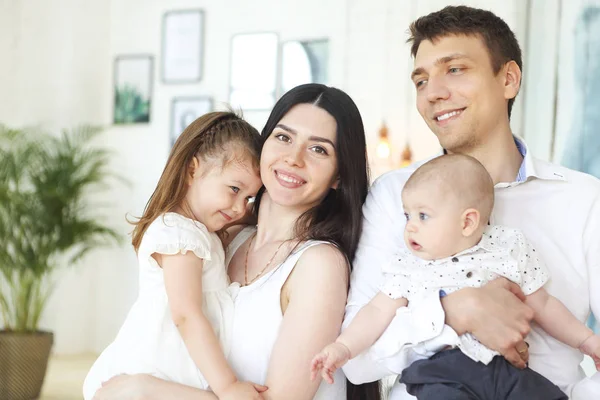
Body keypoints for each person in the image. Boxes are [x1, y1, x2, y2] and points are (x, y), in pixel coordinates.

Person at [342, 5, 600, 400]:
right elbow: (357, 361)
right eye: (421, 80)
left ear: (509, 79)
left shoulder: (584, 199)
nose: (433, 93)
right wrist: (453, 311)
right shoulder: (395, 195)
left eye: (455, 69)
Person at [91, 84, 380, 400]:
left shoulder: (318, 264)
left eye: (318, 149)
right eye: (283, 137)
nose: (293, 158)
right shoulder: (220, 237)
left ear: (339, 175)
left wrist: (144, 390)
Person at [312, 154, 600, 399]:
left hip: (508, 369)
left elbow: (543, 304)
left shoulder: (507, 247)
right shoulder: (409, 266)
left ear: (468, 222)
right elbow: (376, 311)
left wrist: (586, 340)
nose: (410, 227)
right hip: (443, 373)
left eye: (422, 216)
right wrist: (343, 347)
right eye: (407, 216)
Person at [84, 112, 265, 400]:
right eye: (234, 189)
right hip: (161, 367)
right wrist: (228, 386)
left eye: (249, 198)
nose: (240, 207)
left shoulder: (201, 232)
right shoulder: (179, 234)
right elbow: (186, 314)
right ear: (192, 170)